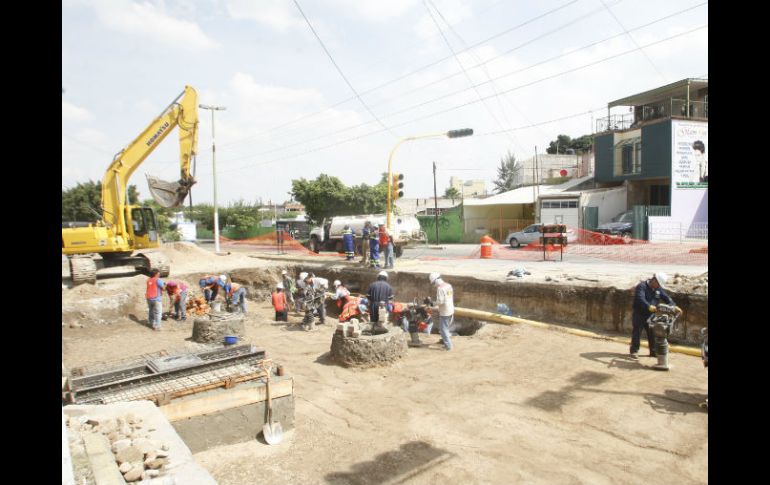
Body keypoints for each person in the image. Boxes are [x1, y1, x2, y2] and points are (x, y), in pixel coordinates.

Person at [630, 272, 680, 359]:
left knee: (652, 333)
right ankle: (634, 351)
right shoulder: (642, 286)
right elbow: (640, 298)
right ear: (654, 280)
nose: (658, 286)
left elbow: (667, 298)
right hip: (639, 314)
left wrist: (674, 306)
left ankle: (653, 351)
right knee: (637, 332)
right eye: (658, 284)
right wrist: (648, 306)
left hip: (651, 315)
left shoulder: (658, 289)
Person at [429, 272, 454, 351]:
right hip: (451, 310)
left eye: (433, 283)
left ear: (435, 281)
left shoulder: (440, 288)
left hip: (445, 312)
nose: (434, 285)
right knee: (446, 328)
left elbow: (440, 301)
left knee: (443, 330)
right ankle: (444, 341)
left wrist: (432, 303)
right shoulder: (448, 285)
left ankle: (448, 347)